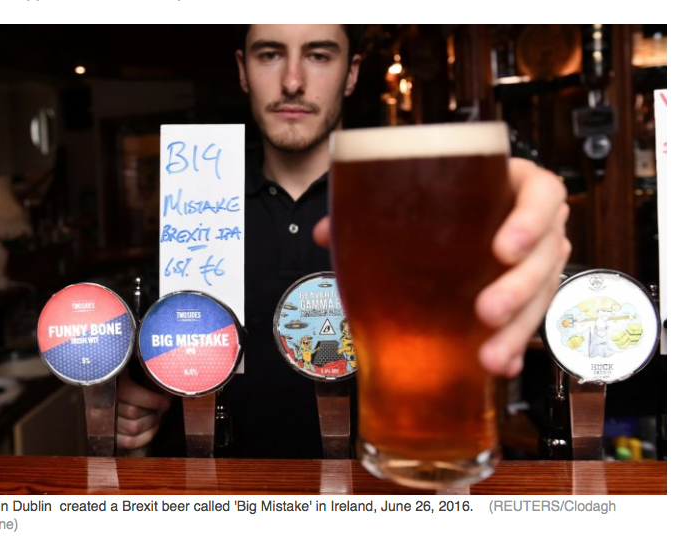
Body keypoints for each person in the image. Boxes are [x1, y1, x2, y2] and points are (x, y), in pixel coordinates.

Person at [116, 24, 571, 457]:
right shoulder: (195, 203)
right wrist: (136, 397)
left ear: (351, 74)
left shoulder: (409, 200)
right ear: (242, 70)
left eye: (318, 55)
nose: (292, 82)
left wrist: (519, 216)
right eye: (270, 54)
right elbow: (163, 347)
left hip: (379, 487)